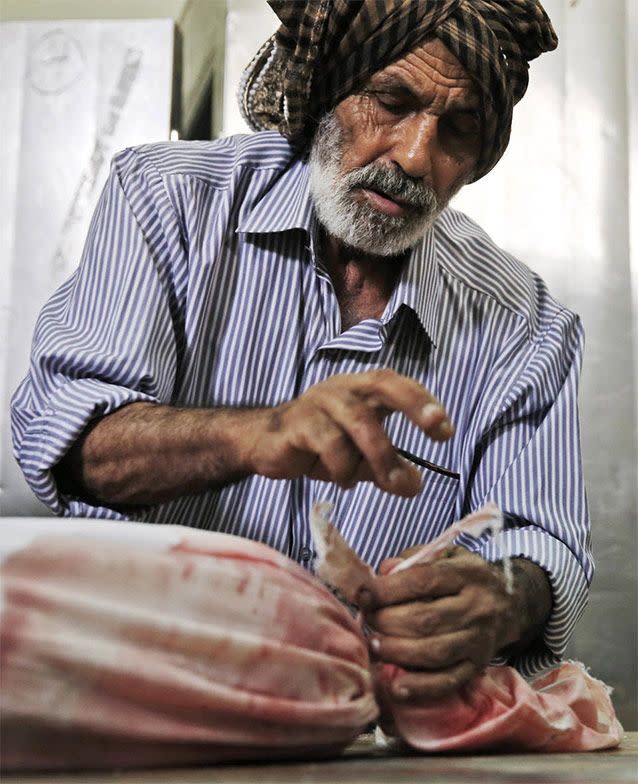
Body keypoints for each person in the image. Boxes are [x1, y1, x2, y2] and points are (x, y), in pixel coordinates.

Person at [11, 0, 592, 703]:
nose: (415, 157)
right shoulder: (168, 202)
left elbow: (542, 538)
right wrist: (257, 434)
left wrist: (505, 596)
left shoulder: (525, 323)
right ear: (323, 90)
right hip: (132, 697)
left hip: (355, 727)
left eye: (458, 130)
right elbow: (70, 440)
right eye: (390, 101)